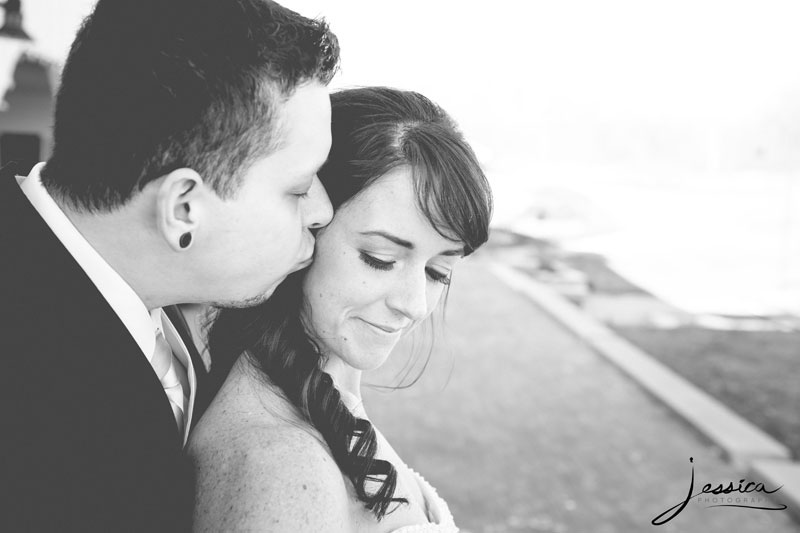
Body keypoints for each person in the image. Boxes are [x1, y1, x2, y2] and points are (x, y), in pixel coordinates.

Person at [0, 0, 339, 530]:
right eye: (297, 188)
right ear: (183, 209)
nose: (322, 211)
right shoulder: (38, 434)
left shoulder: (172, 280)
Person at [188, 87, 493, 532]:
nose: (414, 305)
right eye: (380, 259)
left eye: (437, 272)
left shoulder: (323, 397)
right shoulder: (282, 470)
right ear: (307, 224)